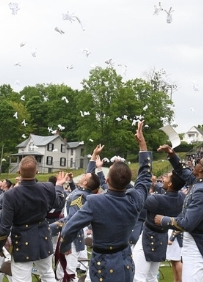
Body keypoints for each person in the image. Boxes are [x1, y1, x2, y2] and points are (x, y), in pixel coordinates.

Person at [59, 121, 152, 282]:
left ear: (107, 180)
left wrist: (65, 246)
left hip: (102, 265)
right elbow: (145, 177)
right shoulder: (135, 199)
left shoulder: (95, 202)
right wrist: (143, 146)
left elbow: (69, 229)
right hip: (125, 263)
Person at [0, 155, 66, 282]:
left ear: (19, 172)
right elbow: (59, 203)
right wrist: (58, 187)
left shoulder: (10, 195)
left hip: (22, 241)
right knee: (47, 275)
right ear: (37, 171)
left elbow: (4, 226)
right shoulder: (47, 187)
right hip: (43, 237)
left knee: (22, 279)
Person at [155, 146, 203, 281]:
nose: (195, 164)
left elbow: (188, 223)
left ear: (201, 169)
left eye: (198, 162)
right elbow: (181, 171)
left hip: (197, 243)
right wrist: (171, 154)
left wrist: (163, 220)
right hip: (193, 240)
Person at [51, 145, 105, 278]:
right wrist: (93, 155)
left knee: (68, 272)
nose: (83, 175)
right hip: (68, 234)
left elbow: (73, 220)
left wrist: (66, 241)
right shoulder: (81, 191)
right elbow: (90, 174)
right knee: (61, 271)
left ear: (85, 182)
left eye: (84, 176)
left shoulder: (80, 196)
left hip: (71, 237)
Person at [133, 167, 185, 282]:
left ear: (170, 184)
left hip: (148, 238)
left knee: (137, 277)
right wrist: (154, 184)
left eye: (166, 177)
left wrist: (143, 181)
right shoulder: (181, 198)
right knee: (151, 277)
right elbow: (167, 193)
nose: (163, 178)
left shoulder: (157, 200)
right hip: (162, 238)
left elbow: (138, 198)